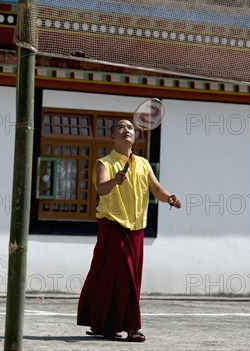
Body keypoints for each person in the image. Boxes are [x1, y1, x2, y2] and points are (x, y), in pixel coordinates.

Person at [77, 118, 182, 342]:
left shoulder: (143, 164)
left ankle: (104, 325)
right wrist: (115, 180)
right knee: (124, 276)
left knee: (118, 277)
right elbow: (102, 189)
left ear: (135, 136)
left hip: (136, 227)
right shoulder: (104, 163)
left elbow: (156, 188)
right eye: (120, 128)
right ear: (112, 136)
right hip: (113, 225)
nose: (126, 130)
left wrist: (170, 197)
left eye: (130, 128)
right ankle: (132, 326)